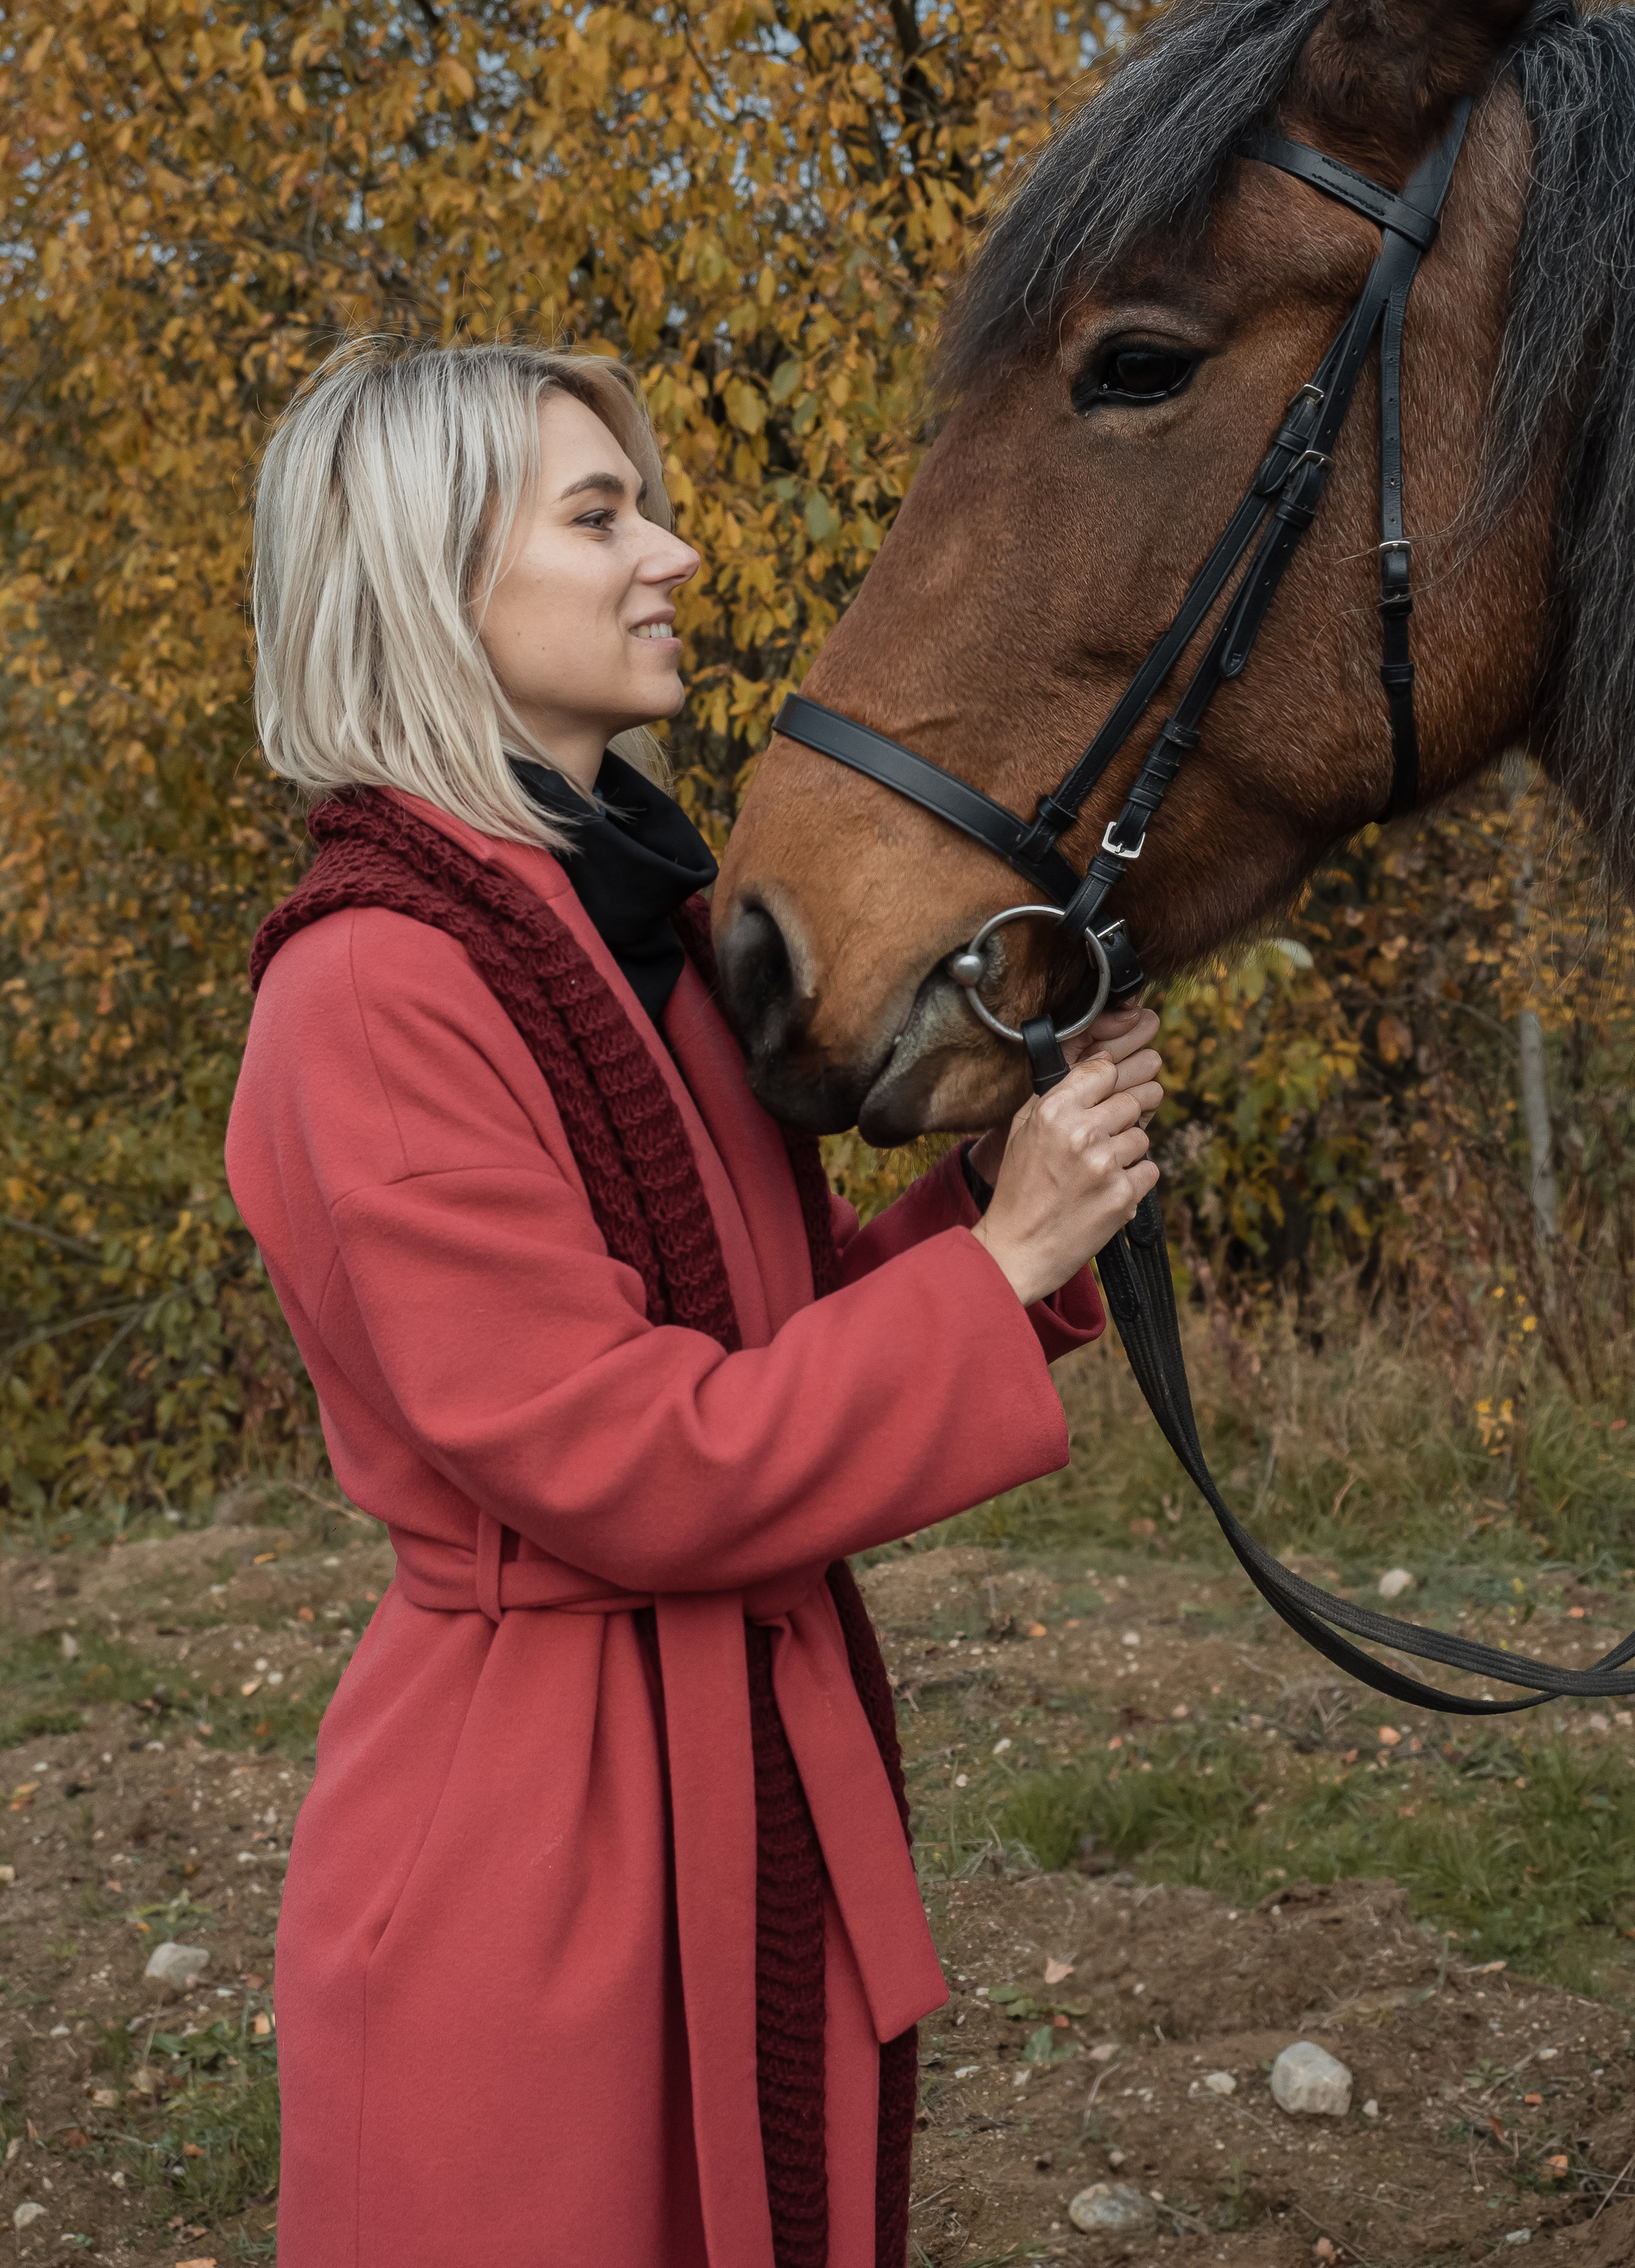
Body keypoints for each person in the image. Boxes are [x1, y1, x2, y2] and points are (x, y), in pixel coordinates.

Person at [225, 334, 1163, 2268]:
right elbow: (624, 1455)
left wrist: (1006, 1199)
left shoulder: (634, 937)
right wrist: (993, 1274)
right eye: (599, 515)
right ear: (428, 579)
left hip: (733, 1759)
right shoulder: (372, 990)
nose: (673, 553)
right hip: (529, 1845)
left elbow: (770, 1332)